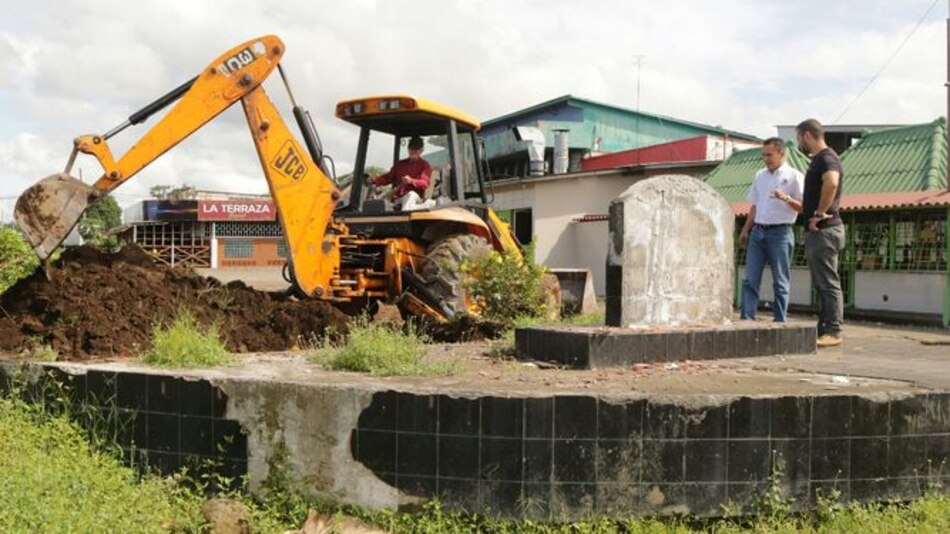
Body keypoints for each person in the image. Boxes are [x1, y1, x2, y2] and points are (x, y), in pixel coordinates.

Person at [738, 137, 804, 322]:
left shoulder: (794, 176)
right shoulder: (760, 175)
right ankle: (747, 319)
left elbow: (804, 207)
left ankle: (780, 320)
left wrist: (786, 199)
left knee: (780, 280)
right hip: (758, 231)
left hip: (781, 233)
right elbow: (755, 206)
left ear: (781, 153)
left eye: (769, 155)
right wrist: (745, 230)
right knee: (750, 279)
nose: (766, 159)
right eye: (763, 155)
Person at [796, 118, 845, 348]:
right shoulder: (820, 159)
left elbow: (832, 183)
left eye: (798, 138)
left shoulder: (827, 158)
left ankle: (833, 331)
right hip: (822, 230)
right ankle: (824, 328)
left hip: (825, 230)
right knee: (823, 283)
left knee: (828, 283)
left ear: (806, 135)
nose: (799, 143)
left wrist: (819, 212)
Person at [369, 135, 431, 209]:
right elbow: (388, 177)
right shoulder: (400, 164)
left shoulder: (424, 165)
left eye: (416, 149)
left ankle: (406, 218)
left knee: (411, 195)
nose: (413, 151)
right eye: (411, 149)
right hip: (398, 198)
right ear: (408, 149)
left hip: (415, 199)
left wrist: (412, 181)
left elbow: (425, 183)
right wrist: (375, 181)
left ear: (421, 150)